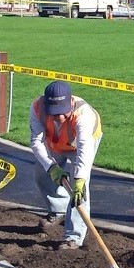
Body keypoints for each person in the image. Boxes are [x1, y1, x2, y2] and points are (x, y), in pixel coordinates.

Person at [29, 80, 103, 250]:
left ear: (71, 102)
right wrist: (51, 167)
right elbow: (37, 142)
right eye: (54, 113)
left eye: (63, 112)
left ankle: (73, 238)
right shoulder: (37, 108)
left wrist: (79, 179)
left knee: (80, 192)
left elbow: (84, 150)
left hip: (80, 145)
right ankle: (58, 209)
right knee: (42, 174)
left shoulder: (84, 115)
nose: (60, 117)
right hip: (54, 142)